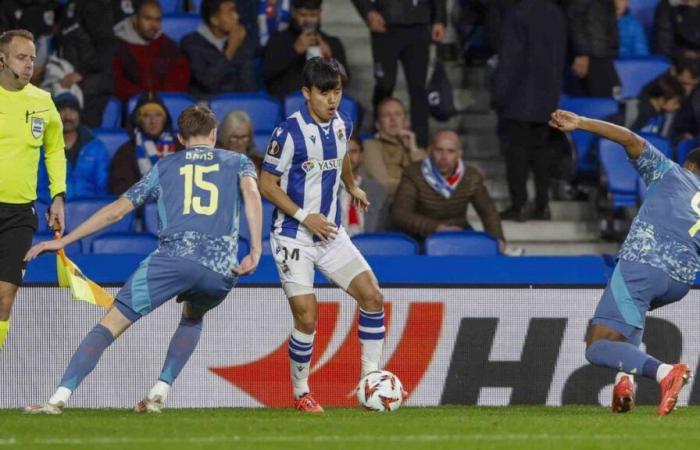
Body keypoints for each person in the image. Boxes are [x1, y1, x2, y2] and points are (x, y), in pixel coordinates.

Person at [23, 105, 263, 414]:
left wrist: (64, 241)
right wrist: (255, 249)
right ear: (215, 134)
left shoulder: (164, 167)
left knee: (110, 324)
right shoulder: (239, 161)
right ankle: (159, 391)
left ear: (179, 137)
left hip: (171, 261)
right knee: (193, 316)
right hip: (219, 271)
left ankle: (58, 399)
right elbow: (253, 195)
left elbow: (117, 211)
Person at [259, 57, 387, 413]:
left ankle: (370, 380)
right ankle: (302, 393)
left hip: (330, 234)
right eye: (325, 93)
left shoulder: (342, 123)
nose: (333, 100)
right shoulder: (288, 133)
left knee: (373, 297)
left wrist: (351, 186)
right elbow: (266, 184)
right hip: (292, 236)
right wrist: (304, 217)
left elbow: (342, 155)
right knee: (307, 316)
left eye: (338, 92)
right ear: (306, 93)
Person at [550, 109, 697, 416]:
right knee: (626, 318)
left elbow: (630, 139)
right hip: (680, 282)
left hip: (644, 263)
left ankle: (665, 373)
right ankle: (624, 381)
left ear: (690, 165)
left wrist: (582, 123)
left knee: (597, 345)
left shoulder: (671, 173)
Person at [0, 29, 66, 351]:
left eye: (32, 59)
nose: (29, 65)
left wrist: (58, 196)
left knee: (4, 296)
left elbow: (54, 150)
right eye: (21, 58)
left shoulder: (42, 102)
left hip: (19, 214)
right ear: (2, 59)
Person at [494, 0, 566, 222]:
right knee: (542, 153)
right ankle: (542, 206)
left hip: (519, 96)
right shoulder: (555, 12)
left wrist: (499, 93)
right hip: (548, 96)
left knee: (517, 154)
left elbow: (510, 57)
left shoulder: (518, 11)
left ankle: (519, 206)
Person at [351, 0, 446, 147]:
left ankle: (420, 145)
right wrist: (368, 11)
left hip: (419, 25)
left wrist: (439, 19)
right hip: (384, 24)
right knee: (385, 84)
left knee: (418, 87)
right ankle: (379, 137)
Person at [391, 130, 505, 248]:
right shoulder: (413, 174)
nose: (444, 157)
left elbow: (488, 211)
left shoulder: (471, 176)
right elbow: (400, 214)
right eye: (439, 150)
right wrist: (437, 228)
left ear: (459, 154)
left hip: (458, 233)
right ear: (430, 151)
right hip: (419, 235)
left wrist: (497, 238)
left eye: (450, 151)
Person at [262, 0, 348, 101]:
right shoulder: (278, 40)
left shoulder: (332, 43)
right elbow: (266, 73)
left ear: (320, 13)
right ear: (294, 12)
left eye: (313, 15)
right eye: (303, 15)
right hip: (286, 106)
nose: (308, 20)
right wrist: (294, 51)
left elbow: (345, 82)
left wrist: (330, 59)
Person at [37, 93, 110, 201]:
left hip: (89, 210)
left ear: (79, 115)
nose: (67, 116)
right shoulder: (41, 148)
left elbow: (103, 188)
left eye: (72, 111)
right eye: (62, 110)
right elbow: (37, 187)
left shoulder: (96, 148)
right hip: (50, 210)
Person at [113, 0, 191, 101]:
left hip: (163, 106)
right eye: (148, 19)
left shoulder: (169, 46)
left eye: (157, 20)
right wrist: (145, 98)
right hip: (131, 106)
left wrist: (158, 99)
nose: (153, 25)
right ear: (135, 19)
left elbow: (180, 77)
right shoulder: (118, 46)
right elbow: (117, 82)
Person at [181, 0, 257, 97]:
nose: (237, 16)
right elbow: (208, 82)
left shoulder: (238, 39)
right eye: (230, 12)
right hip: (205, 106)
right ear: (214, 20)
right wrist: (230, 50)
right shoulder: (191, 43)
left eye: (235, 11)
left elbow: (249, 86)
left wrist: (238, 46)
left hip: (237, 106)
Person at [108, 92, 177, 195]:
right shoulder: (126, 152)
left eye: (158, 115)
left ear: (164, 119)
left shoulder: (181, 148)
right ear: (139, 120)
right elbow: (121, 189)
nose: (153, 121)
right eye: (146, 116)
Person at [362, 97, 427, 200]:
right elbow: (382, 185)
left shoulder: (414, 148)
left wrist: (413, 149)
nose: (393, 119)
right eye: (386, 115)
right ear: (378, 125)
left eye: (397, 114)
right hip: (385, 206)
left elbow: (431, 179)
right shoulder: (370, 146)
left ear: (406, 122)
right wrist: (420, 187)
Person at [565, 0, 621, 98]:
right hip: (590, 55)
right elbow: (574, 19)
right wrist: (581, 53)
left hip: (602, 52)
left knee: (613, 93)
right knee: (600, 99)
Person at [340, 136, 389, 236]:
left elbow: (382, 234)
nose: (347, 157)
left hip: (371, 248)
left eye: (353, 151)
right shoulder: (321, 192)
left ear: (362, 155)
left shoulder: (378, 192)